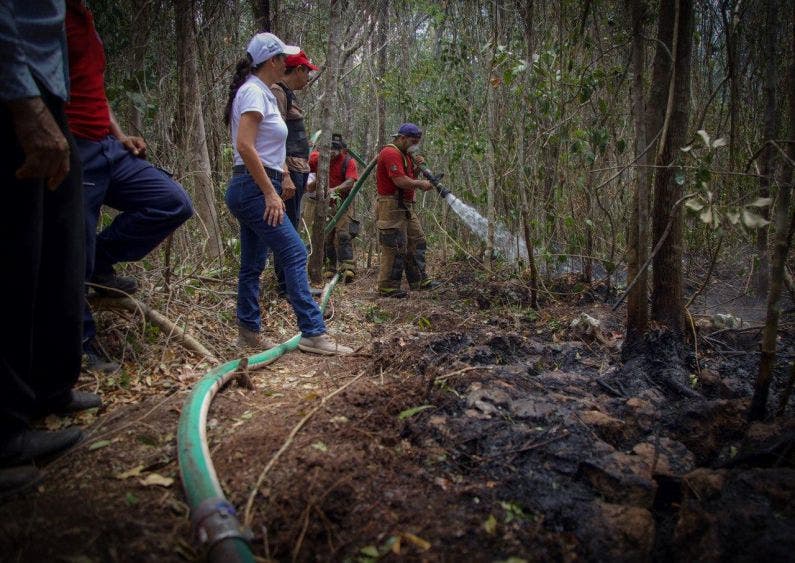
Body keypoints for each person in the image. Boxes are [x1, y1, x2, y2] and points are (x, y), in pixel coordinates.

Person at [0, 1, 99, 498]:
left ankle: (46, 390)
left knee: (55, 249)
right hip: (18, 93)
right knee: (13, 257)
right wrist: (20, 95)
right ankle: (3, 432)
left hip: (47, 91)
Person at [65, 0, 194, 371]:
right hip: (72, 143)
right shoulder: (44, 14)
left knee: (172, 202)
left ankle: (100, 263)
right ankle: (78, 348)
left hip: (106, 145)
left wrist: (119, 135)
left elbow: (94, 90)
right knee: (73, 246)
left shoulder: (84, 17)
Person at [224, 32, 352, 355]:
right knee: (294, 252)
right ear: (273, 61)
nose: (287, 63)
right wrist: (270, 192)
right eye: (283, 58)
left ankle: (248, 332)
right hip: (253, 187)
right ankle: (312, 332)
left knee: (253, 262)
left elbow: (266, 146)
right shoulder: (254, 92)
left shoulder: (263, 92)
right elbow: (245, 146)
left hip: (254, 184)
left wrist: (279, 177)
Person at [270, 49, 318, 295]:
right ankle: (288, 288)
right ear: (298, 69)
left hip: (299, 170)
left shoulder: (288, 94)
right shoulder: (277, 92)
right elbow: (274, 136)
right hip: (287, 173)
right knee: (287, 232)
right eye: (307, 72)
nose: (308, 78)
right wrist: (285, 174)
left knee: (292, 227)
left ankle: (291, 286)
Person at [375, 123, 442, 298]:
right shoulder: (390, 153)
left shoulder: (406, 155)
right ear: (402, 138)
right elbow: (400, 181)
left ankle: (419, 280)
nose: (415, 146)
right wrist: (421, 184)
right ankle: (388, 287)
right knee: (394, 245)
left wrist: (418, 168)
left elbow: (409, 177)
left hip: (405, 205)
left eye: (417, 142)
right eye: (413, 142)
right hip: (391, 205)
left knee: (417, 240)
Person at [306, 134, 360, 282]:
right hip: (322, 204)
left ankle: (348, 268)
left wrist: (333, 190)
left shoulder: (348, 161)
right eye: (330, 148)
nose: (332, 151)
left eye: (336, 148)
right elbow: (305, 166)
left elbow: (350, 182)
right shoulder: (318, 158)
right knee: (326, 236)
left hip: (342, 203)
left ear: (342, 150)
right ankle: (329, 267)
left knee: (343, 234)